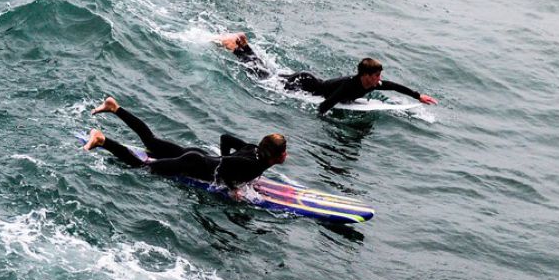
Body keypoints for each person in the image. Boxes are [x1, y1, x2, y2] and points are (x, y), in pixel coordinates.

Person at [83, 96, 287, 188]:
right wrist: (233, 188)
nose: (287, 155)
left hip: (196, 155)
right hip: (191, 163)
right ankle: (102, 140)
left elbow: (226, 139)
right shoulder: (253, 166)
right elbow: (226, 165)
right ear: (277, 157)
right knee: (144, 166)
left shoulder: (253, 149)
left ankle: (114, 107)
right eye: (284, 152)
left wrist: (219, 158)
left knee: (151, 141)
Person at [217, 33, 438, 114]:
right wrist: (323, 122)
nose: (379, 79)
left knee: (270, 73)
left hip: (308, 79)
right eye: (376, 75)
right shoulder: (350, 86)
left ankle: (244, 46)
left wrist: (418, 96)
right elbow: (326, 104)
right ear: (366, 75)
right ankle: (237, 48)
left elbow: (395, 86)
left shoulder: (371, 84)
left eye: (380, 75)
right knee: (264, 78)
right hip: (303, 83)